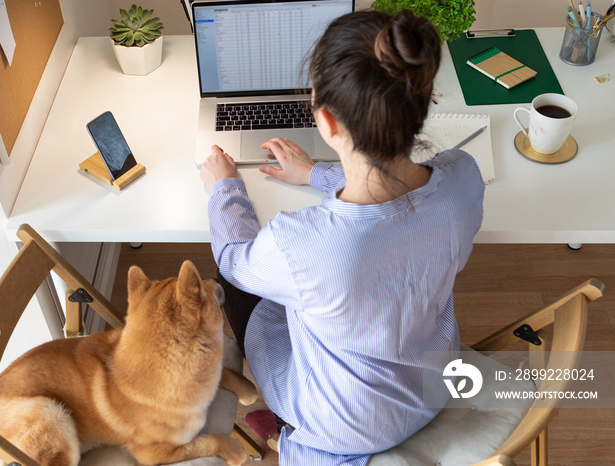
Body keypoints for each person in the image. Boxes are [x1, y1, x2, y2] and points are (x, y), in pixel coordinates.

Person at [199, 9, 484, 466]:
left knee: (231, 275)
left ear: (327, 123)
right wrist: (317, 173)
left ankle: (283, 420)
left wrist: (224, 187)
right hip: (432, 388)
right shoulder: (463, 182)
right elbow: (394, 191)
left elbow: (234, 257)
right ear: (422, 106)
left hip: (342, 426)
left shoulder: (304, 242)